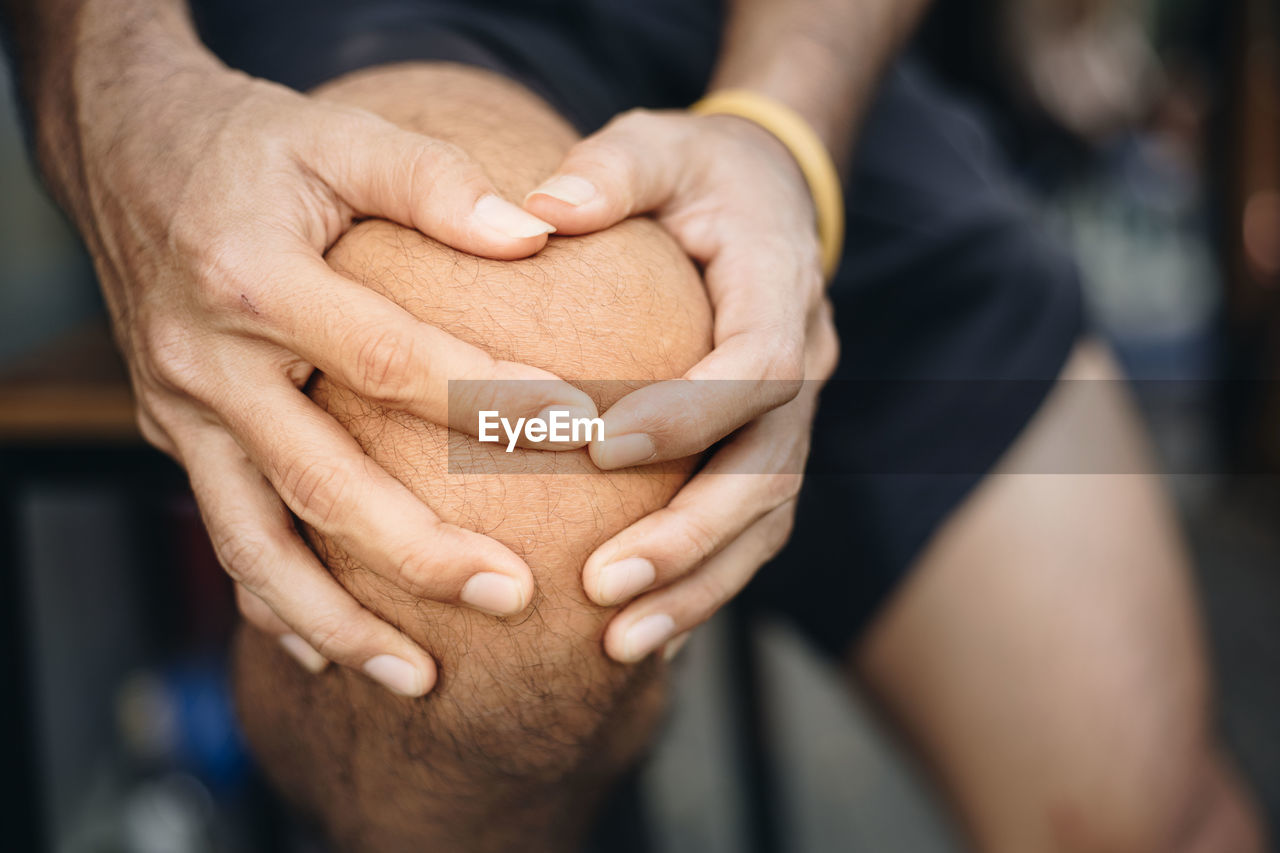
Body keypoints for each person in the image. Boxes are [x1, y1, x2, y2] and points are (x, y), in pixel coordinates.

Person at [3, 0, 1265, 849]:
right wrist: (112, 79)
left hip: (788, 49)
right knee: (509, 526)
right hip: (362, 21)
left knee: (1147, 812)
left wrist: (783, 131)